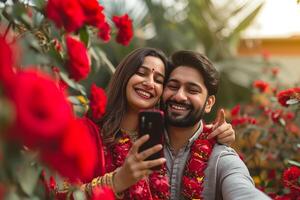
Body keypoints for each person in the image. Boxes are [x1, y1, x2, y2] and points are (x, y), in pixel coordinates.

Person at [80, 47, 235, 199]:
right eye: (141, 73)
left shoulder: (163, 138)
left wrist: (220, 133)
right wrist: (118, 180)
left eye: (159, 80)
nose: (149, 83)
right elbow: (58, 193)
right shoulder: (88, 132)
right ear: (124, 76)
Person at [162, 50, 270, 200]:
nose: (179, 96)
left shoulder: (221, 158)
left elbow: (244, 192)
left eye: (192, 90)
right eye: (173, 86)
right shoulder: (139, 145)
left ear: (209, 103)